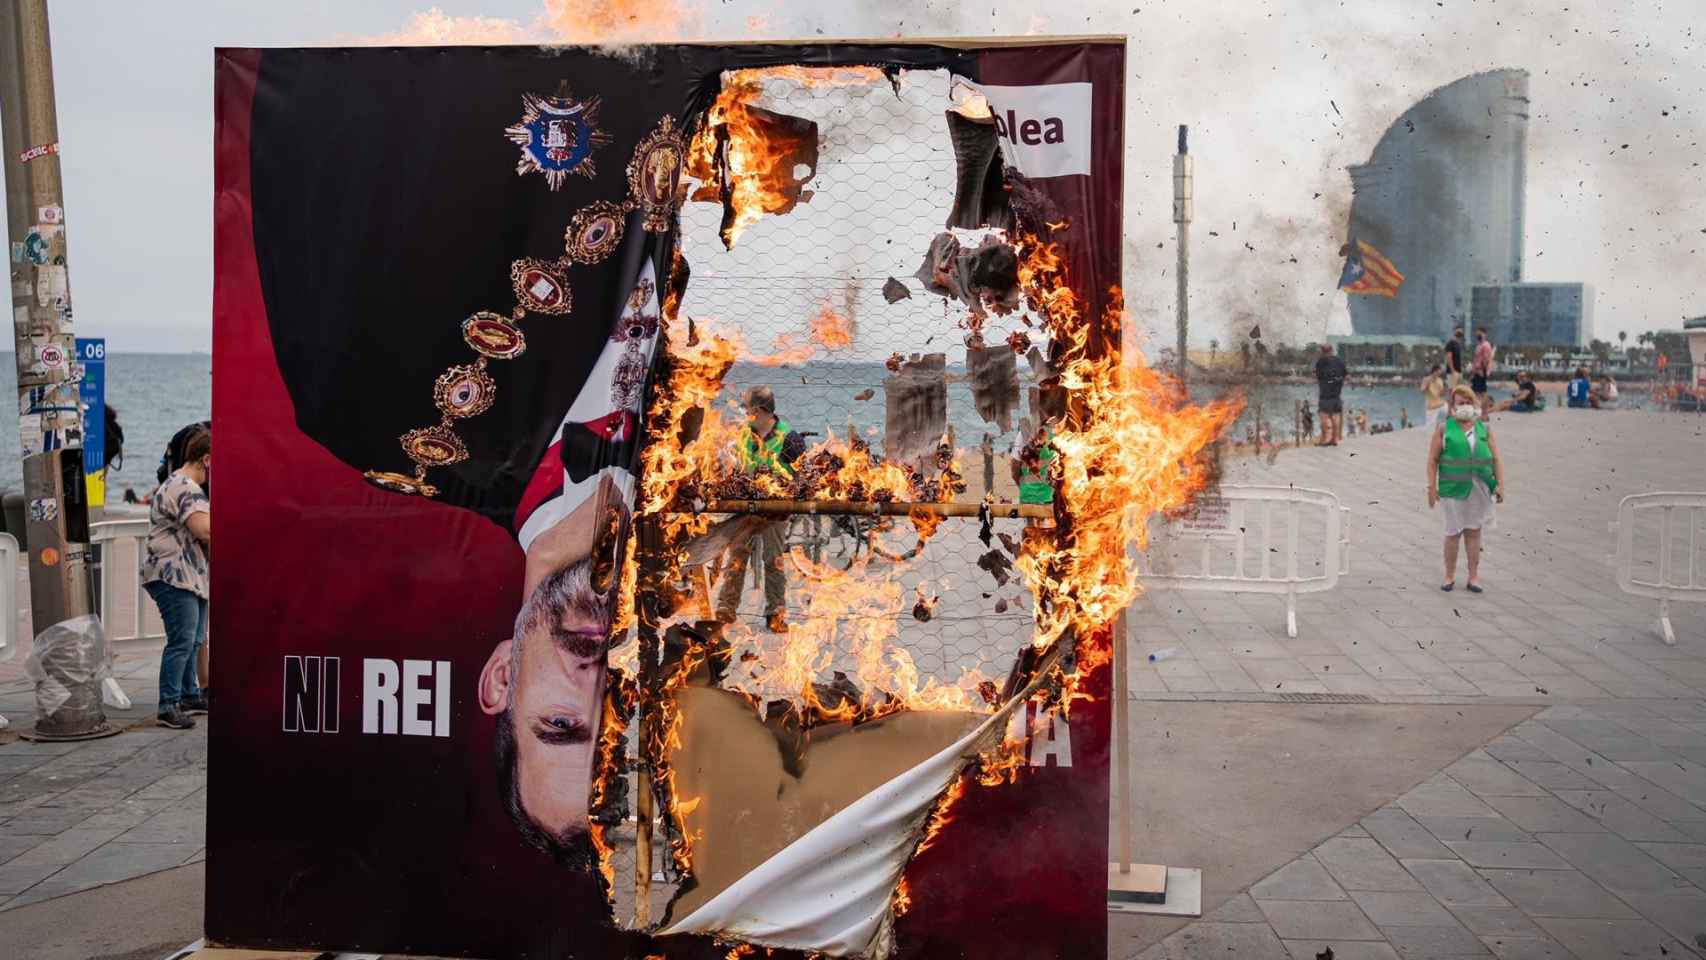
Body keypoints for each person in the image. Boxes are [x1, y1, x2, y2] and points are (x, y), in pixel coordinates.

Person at [715, 386, 805, 633]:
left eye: (748, 409)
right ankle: (726, 608)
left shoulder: (789, 438)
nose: (745, 414)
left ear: (760, 410)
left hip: (775, 510)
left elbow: (803, 477)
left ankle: (775, 612)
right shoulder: (744, 435)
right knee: (736, 555)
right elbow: (734, 466)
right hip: (746, 507)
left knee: (773, 559)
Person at [142, 425, 211, 729]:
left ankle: (188, 694)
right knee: (182, 640)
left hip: (188, 574)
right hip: (173, 575)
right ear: (207, 459)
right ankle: (168, 704)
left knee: (194, 639)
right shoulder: (185, 487)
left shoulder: (180, 484)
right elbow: (204, 529)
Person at [1428, 385, 1504, 593]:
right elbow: (1432, 460)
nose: (1465, 406)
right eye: (1460, 403)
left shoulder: (1484, 428)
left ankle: (1473, 577)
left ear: (1474, 404)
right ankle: (1449, 575)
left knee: (1473, 533)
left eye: (1468, 402)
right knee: (1452, 533)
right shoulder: (1444, 428)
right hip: (1452, 490)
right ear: (1452, 407)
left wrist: (1500, 485)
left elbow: (1496, 458)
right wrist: (1431, 487)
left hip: (1478, 490)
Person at [1314, 343, 1346, 445]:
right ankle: (1335, 439)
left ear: (1323, 351)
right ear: (1332, 350)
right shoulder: (1340, 361)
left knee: (1323, 416)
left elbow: (1317, 376)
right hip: (1337, 394)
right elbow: (1346, 375)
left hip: (1325, 394)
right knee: (1335, 417)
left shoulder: (1321, 362)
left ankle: (1325, 439)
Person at [1471, 330, 1494, 412]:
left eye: (1480, 333)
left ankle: (1484, 409)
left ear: (1485, 334)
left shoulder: (1486, 345)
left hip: (1481, 371)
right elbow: (1475, 359)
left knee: (1482, 392)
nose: (1478, 334)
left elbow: (1486, 359)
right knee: (1476, 391)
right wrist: (1473, 372)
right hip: (1476, 372)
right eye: (1477, 333)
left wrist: (1484, 370)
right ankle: (1478, 408)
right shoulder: (1478, 345)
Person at [1421, 364, 1447, 429]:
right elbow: (1422, 391)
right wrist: (1427, 386)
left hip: (1440, 403)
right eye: (1438, 372)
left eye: (1440, 372)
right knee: (1429, 427)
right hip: (1431, 406)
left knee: (1451, 412)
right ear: (1434, 371)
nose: (1439, 374)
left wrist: (1445, 391)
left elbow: (1441, 394)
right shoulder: (1426, 379)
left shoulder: (1440, 380)